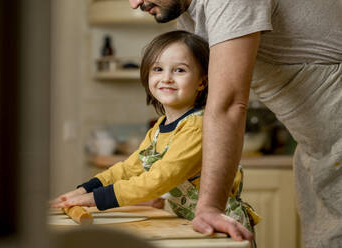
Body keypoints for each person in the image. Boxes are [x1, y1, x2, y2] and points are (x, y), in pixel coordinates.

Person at [128, 0, 342, 247]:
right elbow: (198, 114)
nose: (135, 3)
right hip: (318, 150)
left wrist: (210, 207)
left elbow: (228, 105)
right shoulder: (191, 12)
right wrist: (156, 188)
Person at [50, 30, 260, 245]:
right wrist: (83, 189)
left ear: (202, 82)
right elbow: (130, 167)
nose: (166, 78)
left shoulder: (197, 125)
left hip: (221, 226)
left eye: (180, 70)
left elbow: (160, 178)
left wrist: (95, 199)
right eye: (158, 69)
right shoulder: (160, 127)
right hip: (192, 224)